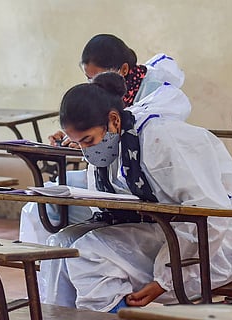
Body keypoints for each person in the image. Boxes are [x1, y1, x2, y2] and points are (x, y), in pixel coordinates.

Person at [39, 72, 232, 313]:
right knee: (60, 245)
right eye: (78, 143)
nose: (86, 150)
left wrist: (164, 280)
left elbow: (211, 216)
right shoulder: (114, 144)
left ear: (114, 120)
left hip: (216, 245)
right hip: (163, 230)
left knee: (90, 253)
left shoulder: (161, 140)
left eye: (88, 140)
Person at [19, 34, 192, 244]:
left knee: (86, 246)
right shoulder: (106, 102)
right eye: (88, 79)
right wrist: (75, 135)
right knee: (43, 201)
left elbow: (135, 135)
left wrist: (91, 136)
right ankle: (39, 261)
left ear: (124, 70)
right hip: (110, 174)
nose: (94, 85)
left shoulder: (158, 94)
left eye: (98, 77)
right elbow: (100, 128)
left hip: (144, 177)